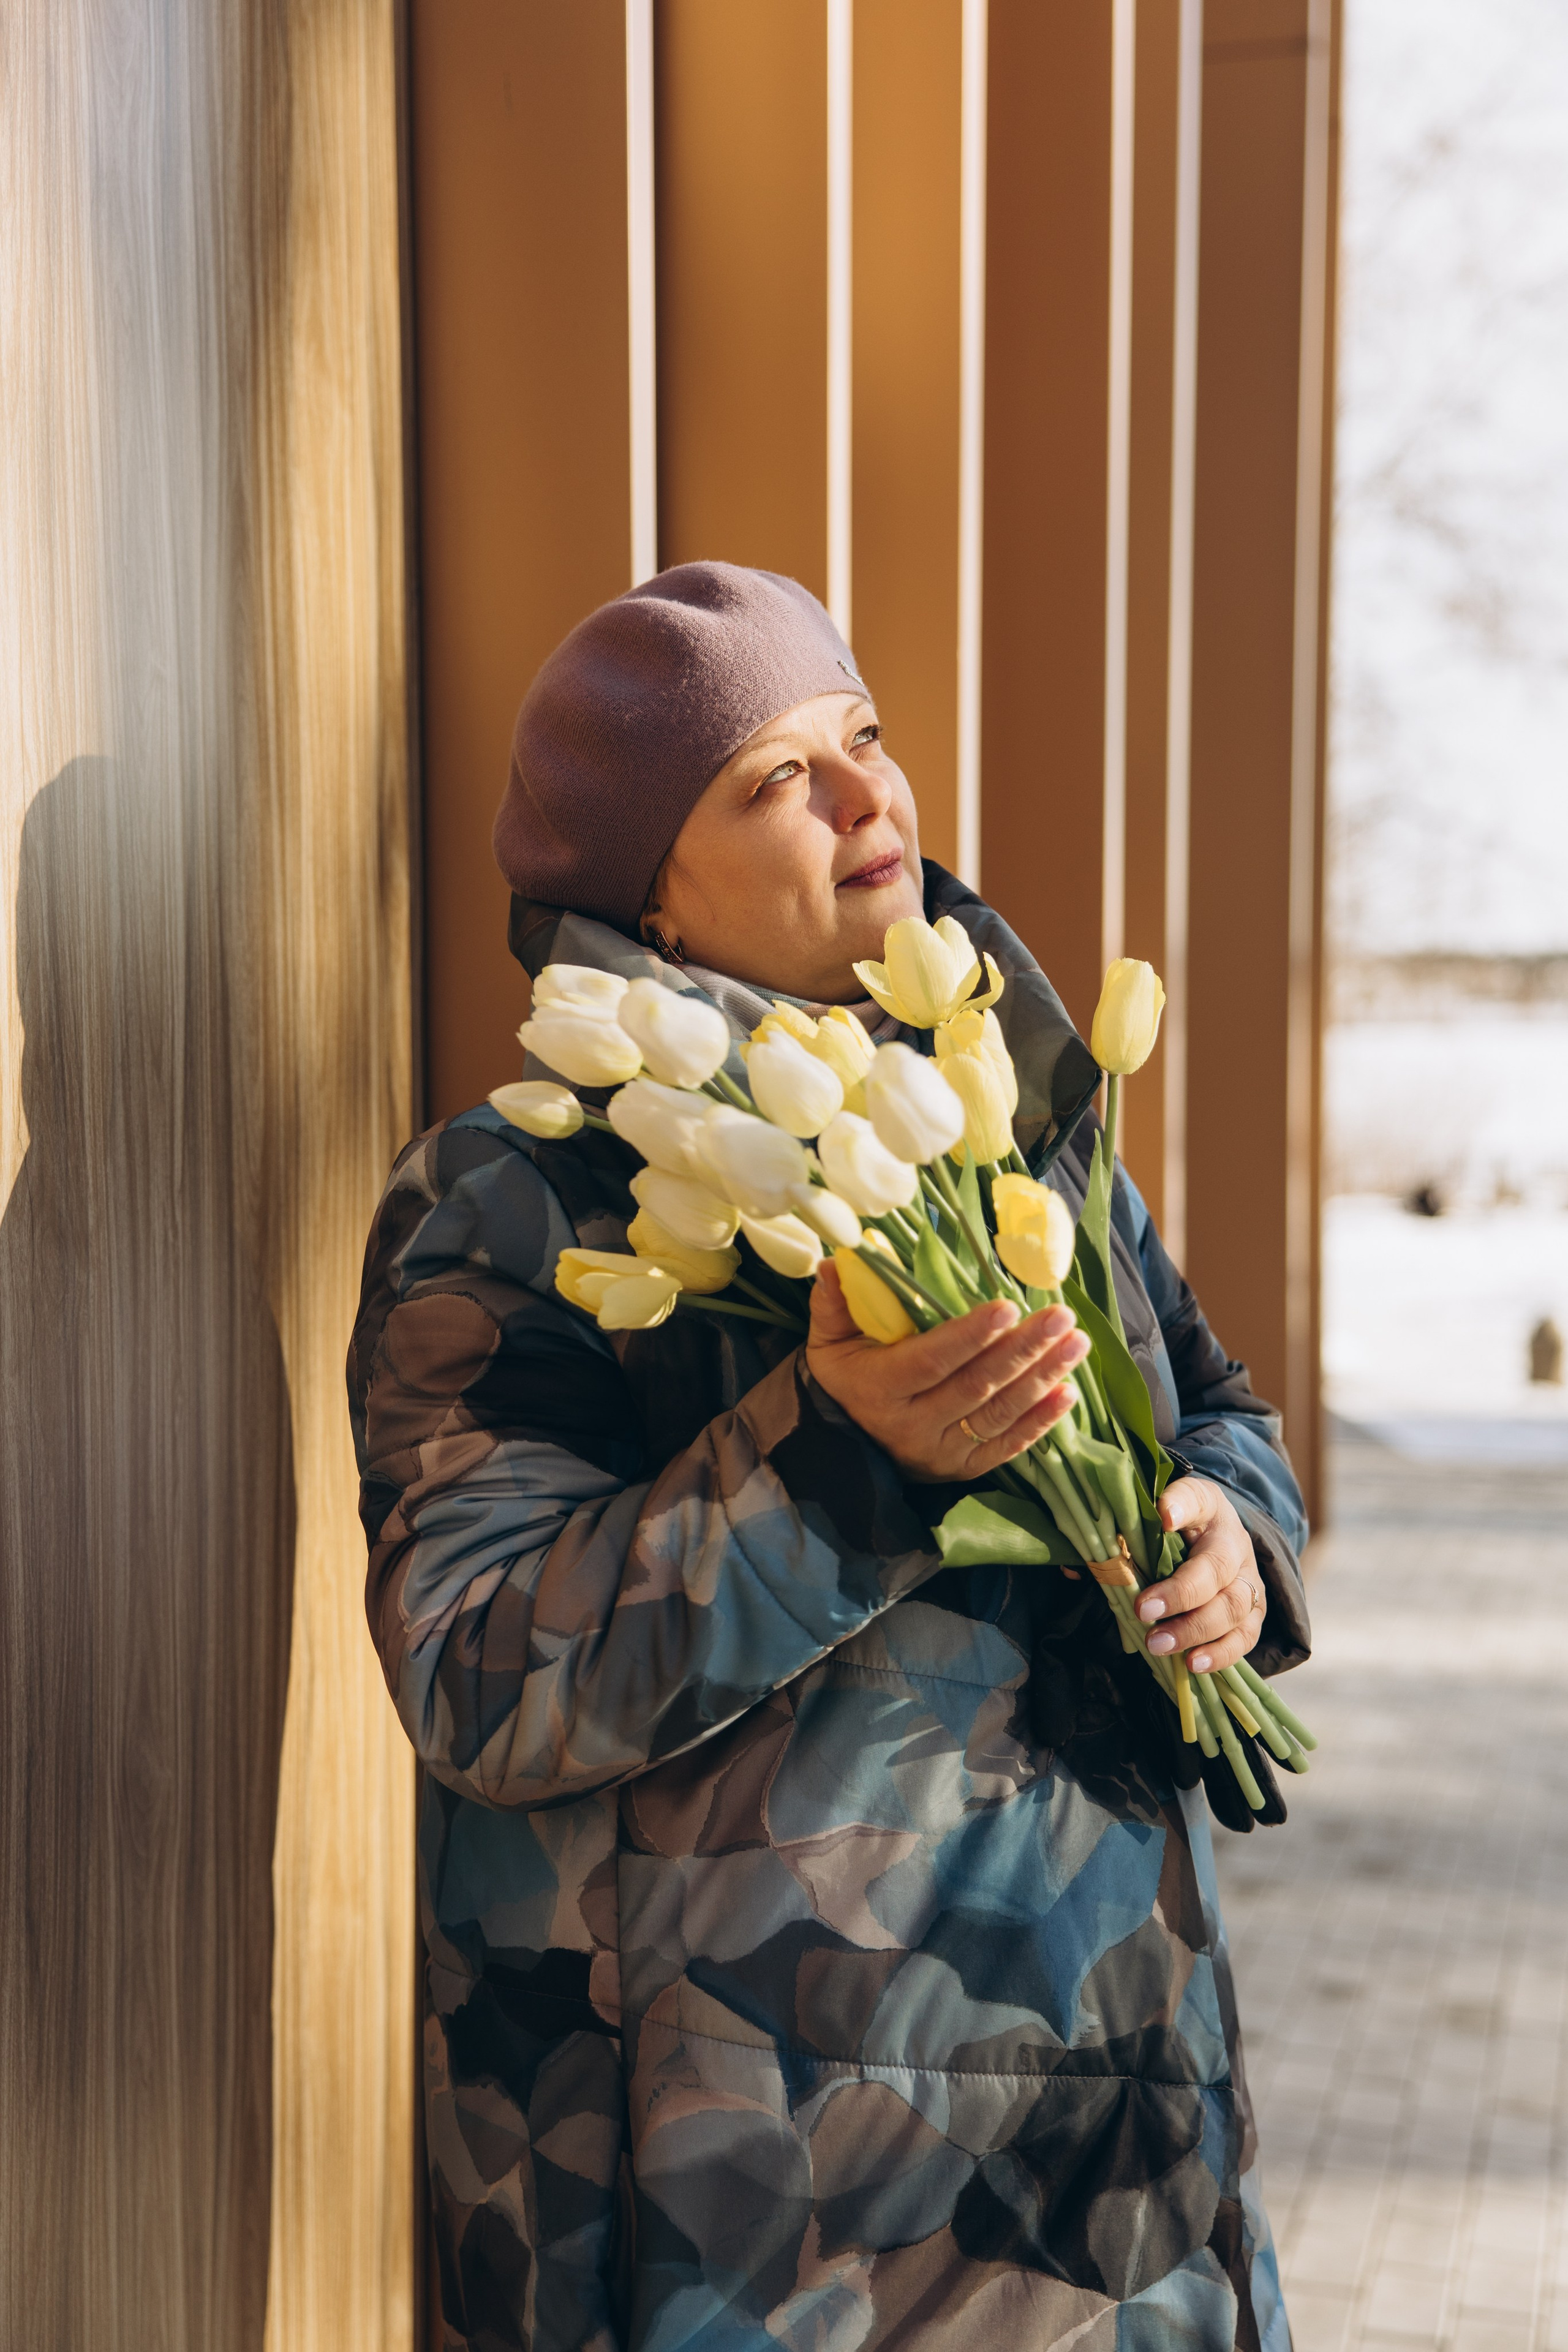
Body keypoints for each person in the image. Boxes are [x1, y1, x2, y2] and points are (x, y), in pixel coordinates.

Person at [349, 561, 1310, 2351]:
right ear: (651, 887)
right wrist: (832, 1469)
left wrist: (1230, 1538)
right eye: (776, 779)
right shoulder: (513, 1199)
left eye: (861, 736)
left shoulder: (1008, 1117)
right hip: (771, 2207)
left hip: (1111, 2137)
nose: (872, 796)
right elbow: (483, 1676)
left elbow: (1219, 1409)